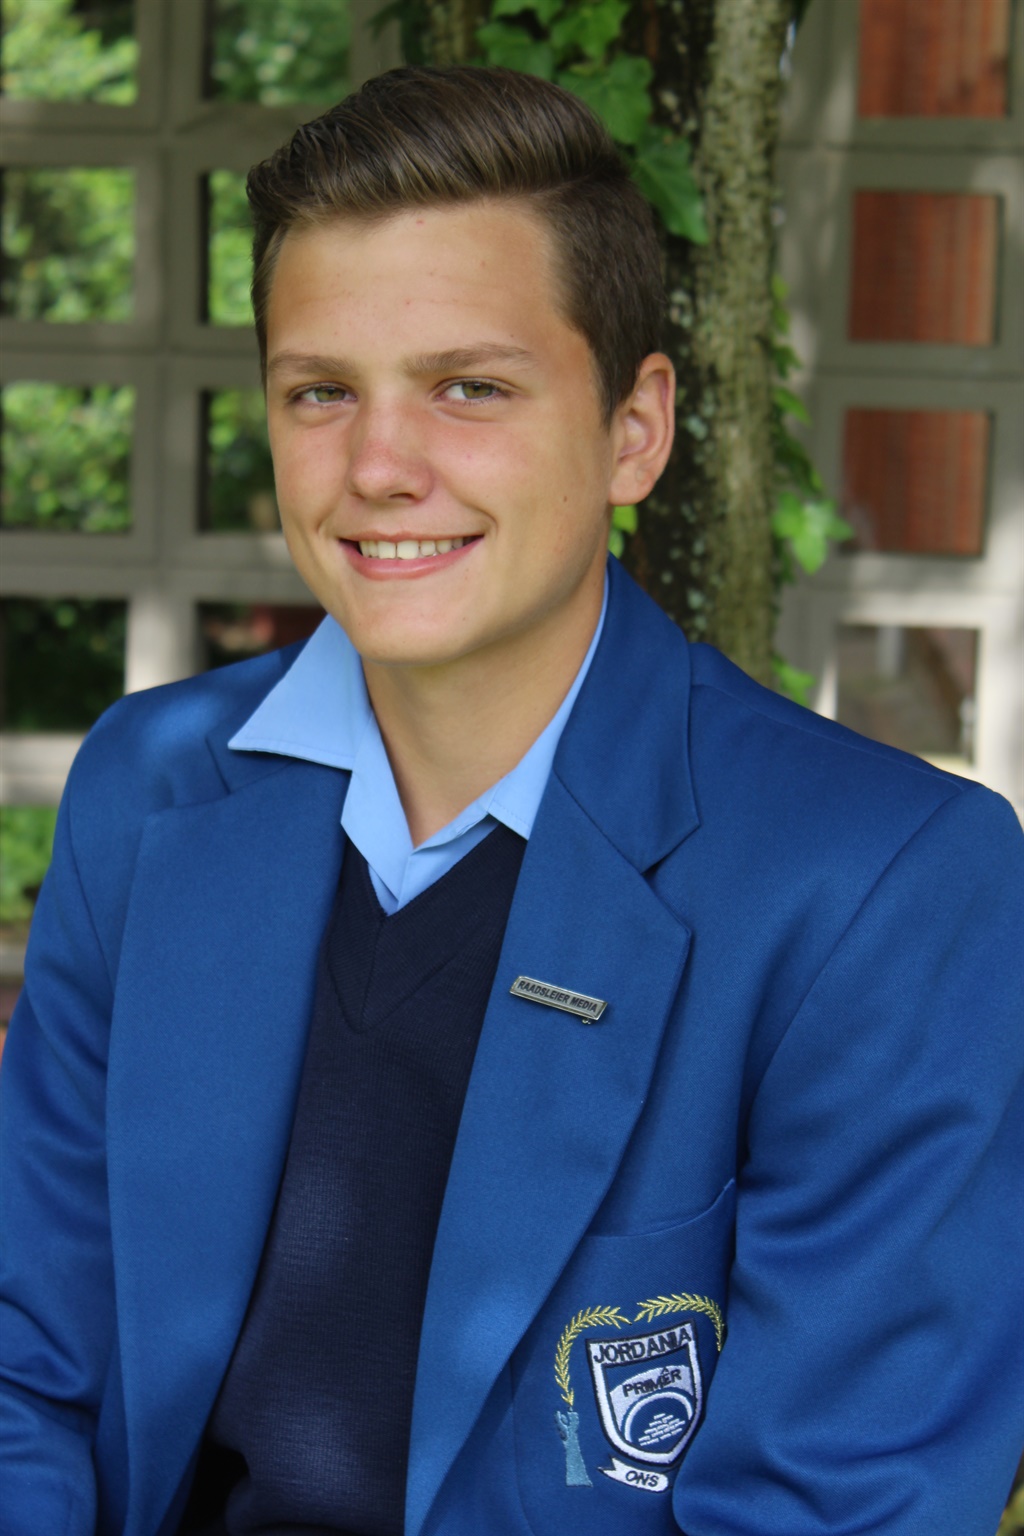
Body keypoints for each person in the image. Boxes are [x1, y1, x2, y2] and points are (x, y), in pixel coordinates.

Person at [1, 65, 1021, 1536]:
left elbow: (841, 1505)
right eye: (321, 392)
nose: (378, 467)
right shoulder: (149, 788)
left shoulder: (884, 886)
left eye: (469, 388)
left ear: (634, 431)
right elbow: (27, 1363)